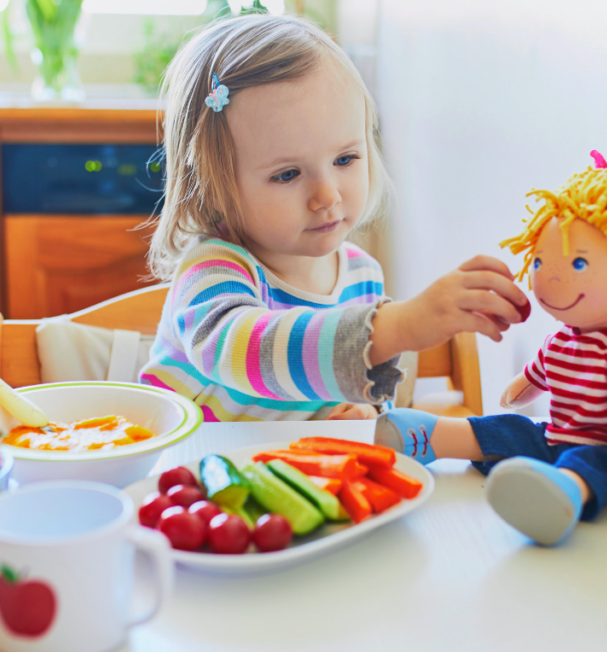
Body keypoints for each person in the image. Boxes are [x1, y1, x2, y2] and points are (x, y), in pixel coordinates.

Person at [139, 14, 528, 422]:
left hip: (296, 475)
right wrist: (396, 326)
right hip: (191, 475)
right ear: (215, 185)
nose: (327, 196)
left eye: (345, 158)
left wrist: (363, 409)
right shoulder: (213, 271)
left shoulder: (362, 274)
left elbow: (357, 380)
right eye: (287, 174)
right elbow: (244, 352)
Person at [376, 141, 607, 545]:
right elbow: (541, 372)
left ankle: (561, 494)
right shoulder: (562, 339)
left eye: (578, 263)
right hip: (552, 434)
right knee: (511, 428)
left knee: (594, 463)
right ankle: (431, 436)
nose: (549, 278)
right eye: (541, 262)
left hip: (603, 445)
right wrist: (521, 388)